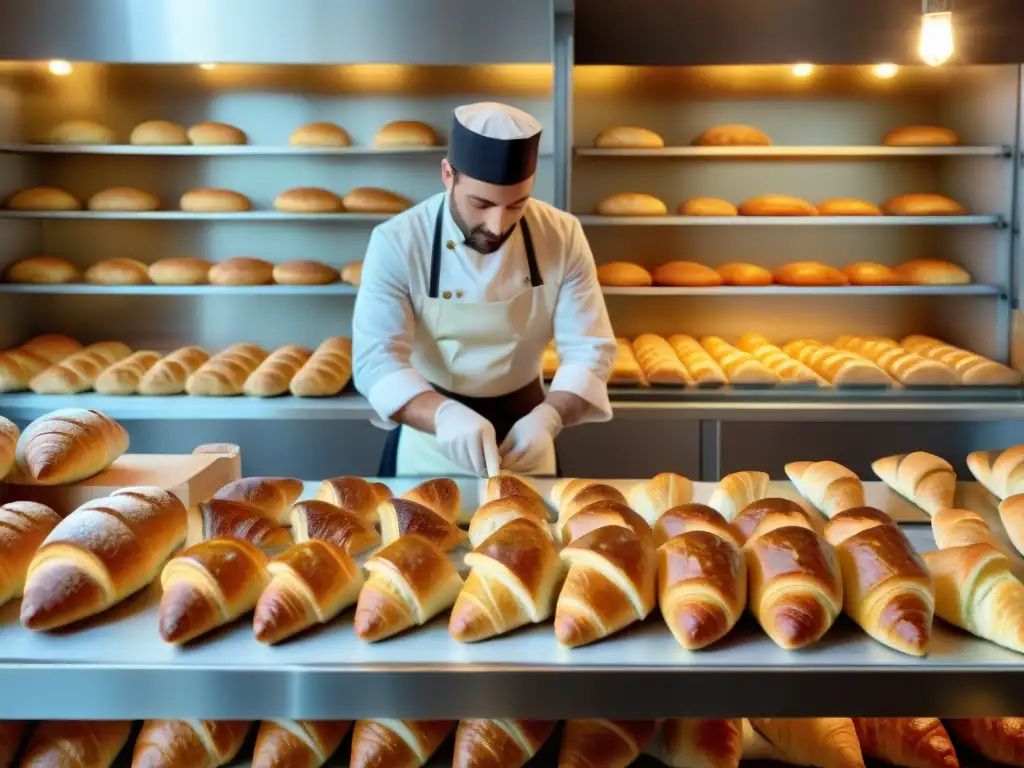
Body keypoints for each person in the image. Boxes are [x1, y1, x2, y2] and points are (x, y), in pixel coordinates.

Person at [353, 101, 615, 478]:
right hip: (431, 435)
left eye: (516, 205)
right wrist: (443, 416)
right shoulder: (398, 240)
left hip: (527, 433)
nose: (497, 225)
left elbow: (589, 350)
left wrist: (550, 416)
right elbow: (376, 359)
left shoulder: (562, 235)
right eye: (482, 203)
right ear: (448, 175)